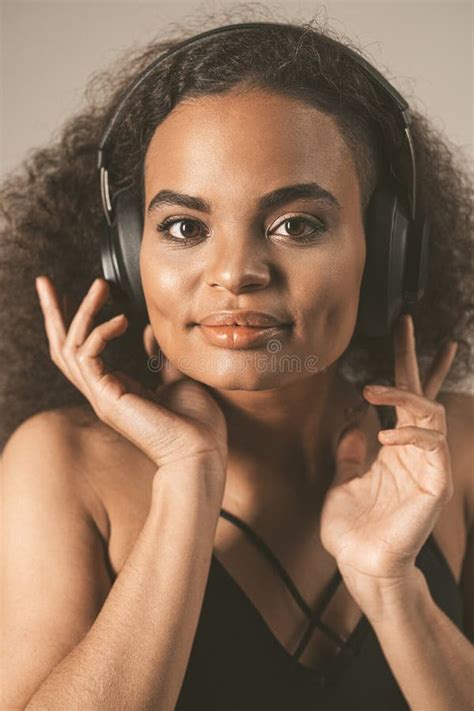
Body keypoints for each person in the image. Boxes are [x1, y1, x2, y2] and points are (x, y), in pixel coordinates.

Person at [1, 11, 473, 711]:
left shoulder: (455, 450)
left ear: (384, 253)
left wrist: (393, 587)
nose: (237, 273)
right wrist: (188, 483)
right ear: (129, 257)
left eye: (296, 224)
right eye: (185, 227)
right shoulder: (66, 464)